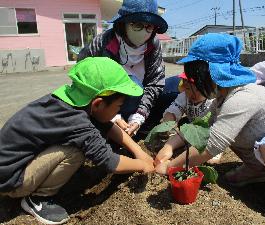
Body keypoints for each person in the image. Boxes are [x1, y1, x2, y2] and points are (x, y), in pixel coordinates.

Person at [154, 33, 265, 225]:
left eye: (196, 79)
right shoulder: (222, 99)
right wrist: (169, 146)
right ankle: (257, 171)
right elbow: (200, 129)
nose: (193, 86)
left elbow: (211, 145)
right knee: (233, 132)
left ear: (211, 74)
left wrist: (171, 167)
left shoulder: (243, 98)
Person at [0, 57, 155, 225]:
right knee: (77, 151)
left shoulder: (70, 101)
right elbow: (109, 162)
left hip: (11, 166)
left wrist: (138, 152)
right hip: (12, 181)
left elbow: (107, 126)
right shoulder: (77, 122)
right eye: (118, 107)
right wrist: (143, 165)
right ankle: (38, 199)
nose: (120, 111)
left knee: (85, 138)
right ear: (98, 104)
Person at [78, 0, 178, 136]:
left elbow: (155, 82)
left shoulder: (153, 45)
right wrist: (112, 114)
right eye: (137, 24)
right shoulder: (102, 42)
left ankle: (141, 125)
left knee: (177, 84)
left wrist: (139, 115)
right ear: (123, 23)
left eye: (149, 26)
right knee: (132, 83)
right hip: (109, 102)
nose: (144, 31)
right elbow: (83, 76)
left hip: (142, 101)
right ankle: (111, 126)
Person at [155, 72, 222, 165]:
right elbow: (172, 111)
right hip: (193, 127)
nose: (191, 93)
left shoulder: (212, 102)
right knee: (177, 138)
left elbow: (218, 129)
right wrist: (170, 127)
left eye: (197, 90)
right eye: (187, 88)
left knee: (210, 159)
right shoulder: (184, 96)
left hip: (212, 132)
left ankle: (216, 150)